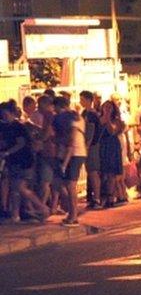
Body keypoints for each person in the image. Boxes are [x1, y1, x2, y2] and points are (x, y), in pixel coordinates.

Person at [0, 101, 49, 224]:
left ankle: (42, 208)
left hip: (24, 160)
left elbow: (21, 143)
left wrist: (7, 152)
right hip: (12, 161)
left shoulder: (18, 127)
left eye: (6, 114)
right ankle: (15, 215)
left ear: (12, 113)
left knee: (20, 187)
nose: (4, 117)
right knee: (15, 188)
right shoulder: (5, 127)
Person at [52, 96, 87, 227]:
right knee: (64, 184)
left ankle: (73, 216)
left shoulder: (73, 118)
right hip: (71, 153)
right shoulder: (70, 117)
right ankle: (71, 212)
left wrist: (64, 163)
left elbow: (71, 141)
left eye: (56, 109)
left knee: (71, 186)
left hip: (75, 153)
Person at [98, 100, 125, 208]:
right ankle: (103, 196)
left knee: (112, 173)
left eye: (109, 107)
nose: (107, 109)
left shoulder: (117, 121)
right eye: (105, 107)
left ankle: (111, 197)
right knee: (103, 172)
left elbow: (112, 131)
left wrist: (108, 119)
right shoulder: (99, 119)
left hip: (112, 146)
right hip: (102, 146)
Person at [79, 91, 103, 209]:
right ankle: (94, 198)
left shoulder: (91, 114)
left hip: (92, 146)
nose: (80, 101)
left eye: (82, 99)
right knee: (91, 172)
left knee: (93, 172)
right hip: (88, 145)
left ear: (88, 100)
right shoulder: (85, 113)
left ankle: (97, 198)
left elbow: (91, 131)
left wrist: (87, 146)